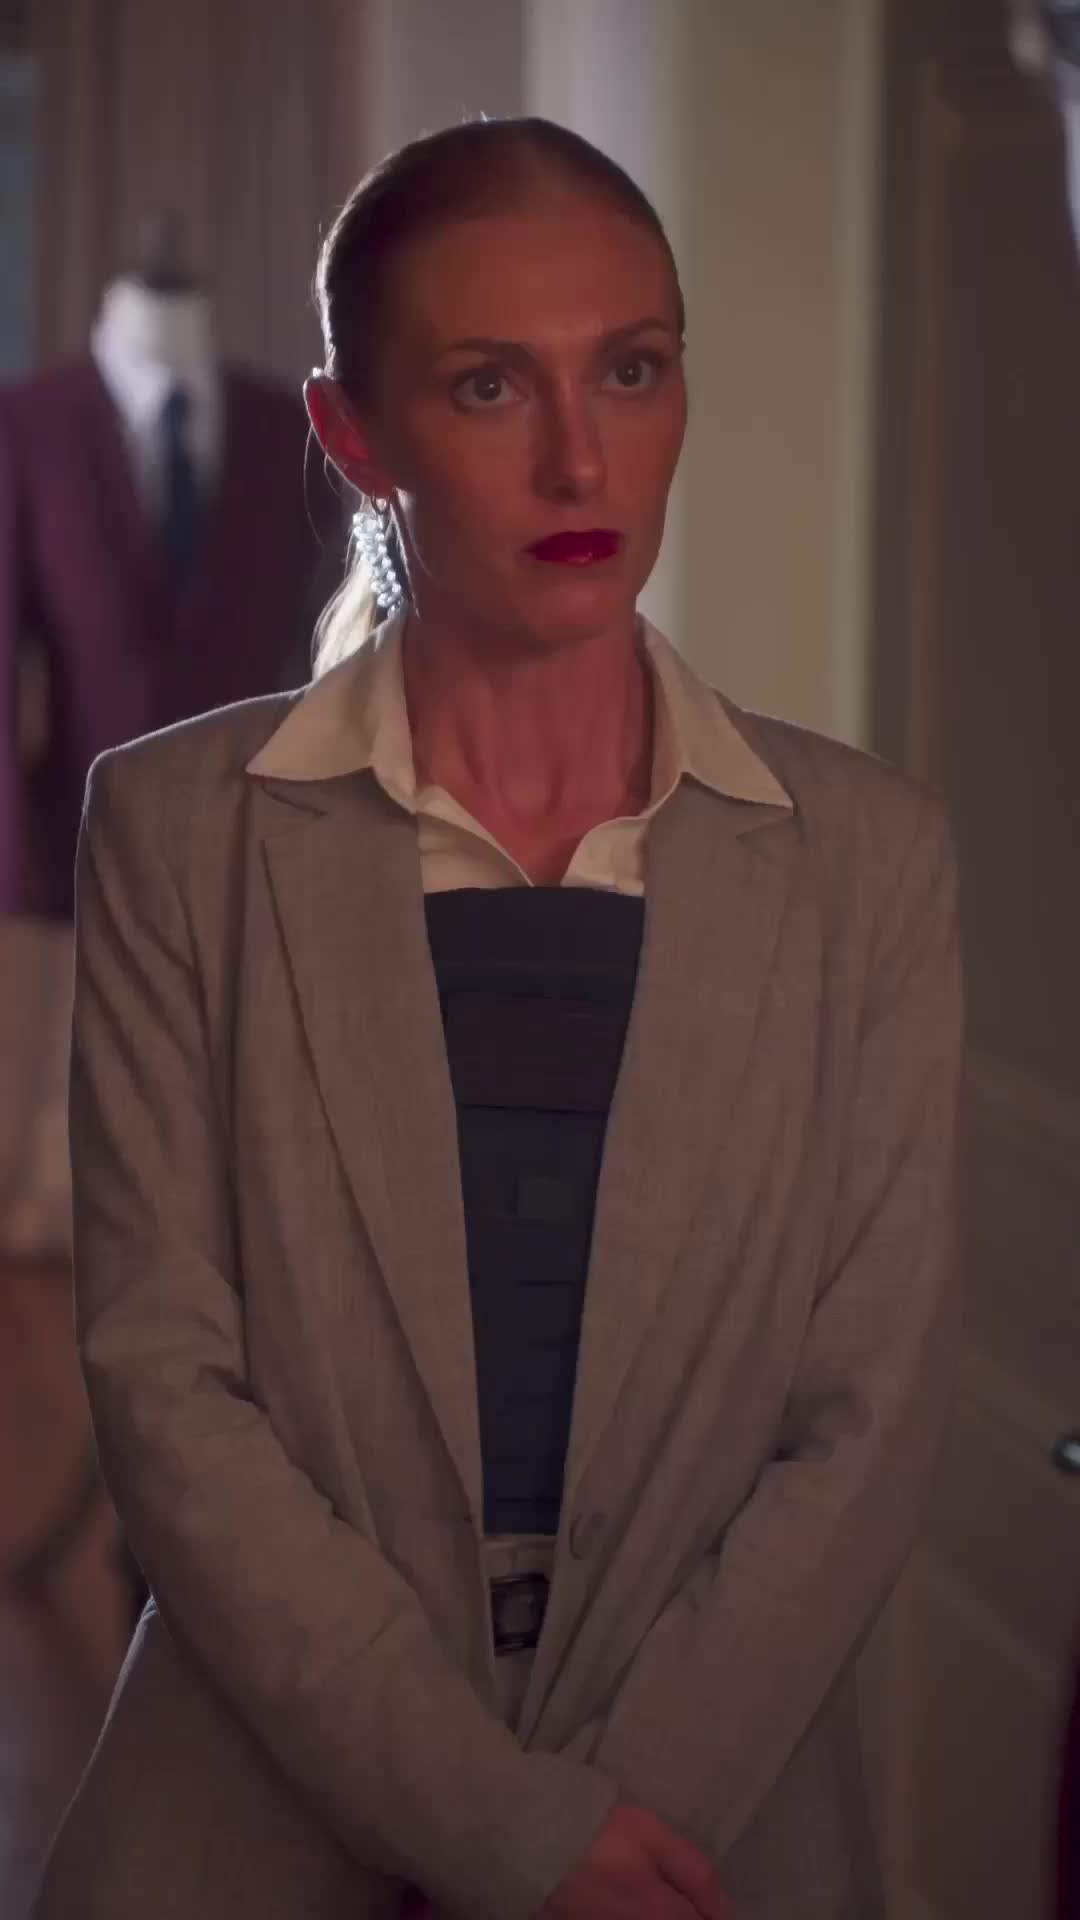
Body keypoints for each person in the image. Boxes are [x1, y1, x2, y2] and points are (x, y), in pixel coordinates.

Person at [32, 116, 963, 1920]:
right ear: (352, 434)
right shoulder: (180, 831)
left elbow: (863, 1421)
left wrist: (619, 1826)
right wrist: (503, 1832)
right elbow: (166, 1387)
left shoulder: (870, 859)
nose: (578, 456)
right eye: (487, 386)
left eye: (631, 369)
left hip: (707, 1820)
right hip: (253, 1802)